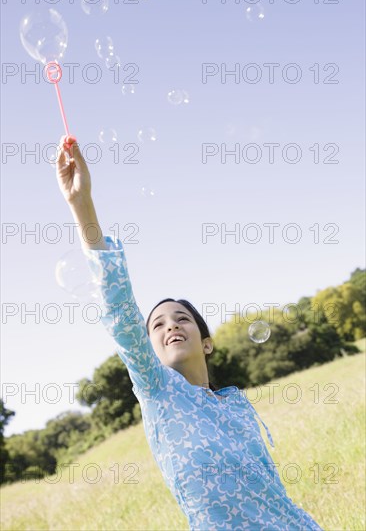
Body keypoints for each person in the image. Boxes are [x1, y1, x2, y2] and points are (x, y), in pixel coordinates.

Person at [56, 135, 323, 530]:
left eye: (181, 318)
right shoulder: (157, 390)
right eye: (158, 325)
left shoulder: (235, 406)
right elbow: (121, 311)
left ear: (206, 341)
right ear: (147, 349)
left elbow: (272, 493)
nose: (171, 326)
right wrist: (83, 205)